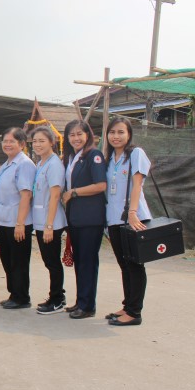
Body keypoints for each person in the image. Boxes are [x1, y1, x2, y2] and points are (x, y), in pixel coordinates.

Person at [103, 116, 152, 326]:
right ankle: (127, 305)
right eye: (112, 132)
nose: (116, 136)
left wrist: (132, 212)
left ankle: (134, 313)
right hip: (114, 219)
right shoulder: (109, 159)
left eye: (121, 132)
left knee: (135, 265)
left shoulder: (135, 154)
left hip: (134, 218)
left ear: (129, 134)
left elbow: (137, 185)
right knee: (124, 265)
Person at [61, 119, 107, 320]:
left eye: (80, 134)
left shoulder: (93, 155)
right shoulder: (72, 157)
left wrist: (74, 192)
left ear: (88, 135)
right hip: (75, 218)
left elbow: (101, 185)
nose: (76, 138)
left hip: (90, 218)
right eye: (72, 135)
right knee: (80, 261)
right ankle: (81, 301)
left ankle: (87, 305)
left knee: (87, 262)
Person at [0, 128, 36, 310]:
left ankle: (22, 297)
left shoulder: (24, 164)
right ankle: (14, 294)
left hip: (17, 222)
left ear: (22, 144)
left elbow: (26, 195)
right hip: (4, 221)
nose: (7, 144)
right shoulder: (6, 164)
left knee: (18, 262)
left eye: (12, 141)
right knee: (7, 260)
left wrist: (20, 223)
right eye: (5, 141)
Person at [30, 126, 67, 315]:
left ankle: (57, 299)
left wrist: (49, 225)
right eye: (35, 141)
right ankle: (55, 295)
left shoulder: (54, 165)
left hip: (50, 222)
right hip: (41, 221)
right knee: (48, 261)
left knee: (52, 262)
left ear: (52, 142)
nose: (37, 144)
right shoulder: (40, 164)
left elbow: (55, 196)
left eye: (42, 141)